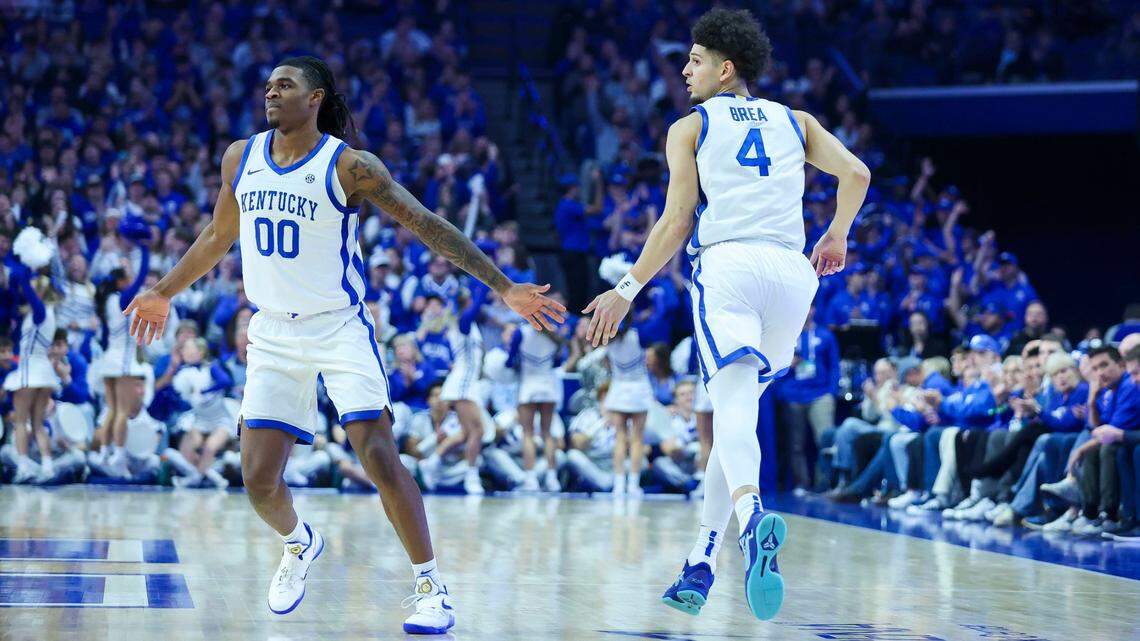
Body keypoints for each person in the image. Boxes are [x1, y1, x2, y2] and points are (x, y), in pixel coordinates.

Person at [124, 56, 564, 634]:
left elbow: (426, 223)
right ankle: (299, 542)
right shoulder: (241, 156)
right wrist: (163, 291)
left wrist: (504, 287)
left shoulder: (350, 165)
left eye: (285, 85)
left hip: (338, 327)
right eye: (268, 85)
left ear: (316, 98)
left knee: (378, 455)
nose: (271, 93)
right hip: (272, 331)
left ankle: (431, 585)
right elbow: (218, 235)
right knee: (256, 479)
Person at [582, 9, 868, 621]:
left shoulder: (691, 127)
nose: (685, 71)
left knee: (731, 412)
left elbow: (676, 219)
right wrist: (837, 235)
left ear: (725, 67)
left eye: (694, 60)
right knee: (734, 412)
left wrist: (626, 289)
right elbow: (858, 173)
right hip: (793, 275)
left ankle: (750, 518)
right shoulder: (798, 121)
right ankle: (702, 559)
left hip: (730, 265)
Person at [4, 266, 63, 484]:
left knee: (20, 422)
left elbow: (28, 292)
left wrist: (25, 274)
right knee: (38, 424)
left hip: (30, 371)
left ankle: (22, 466)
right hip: (44, 372)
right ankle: (47, 467)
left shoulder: (40, 311)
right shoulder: (50, 314)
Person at [437, 286, 490, 495]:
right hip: (463, 383)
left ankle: (431, 464)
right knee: (477, 431)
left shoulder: (470, 324)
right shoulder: (463, 321)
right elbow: (477, 304)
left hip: (466, 383)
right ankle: (471, 476)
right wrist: (486, 282)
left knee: (469, 432)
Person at [507, 320, 566, 491]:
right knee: (548, 433)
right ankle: (552, 478)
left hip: (528, 386)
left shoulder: (521, 332)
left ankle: (531, 479)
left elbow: (510, 360)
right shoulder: (554, 332)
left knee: (528, 433)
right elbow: (557, 362)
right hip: (548, 386)